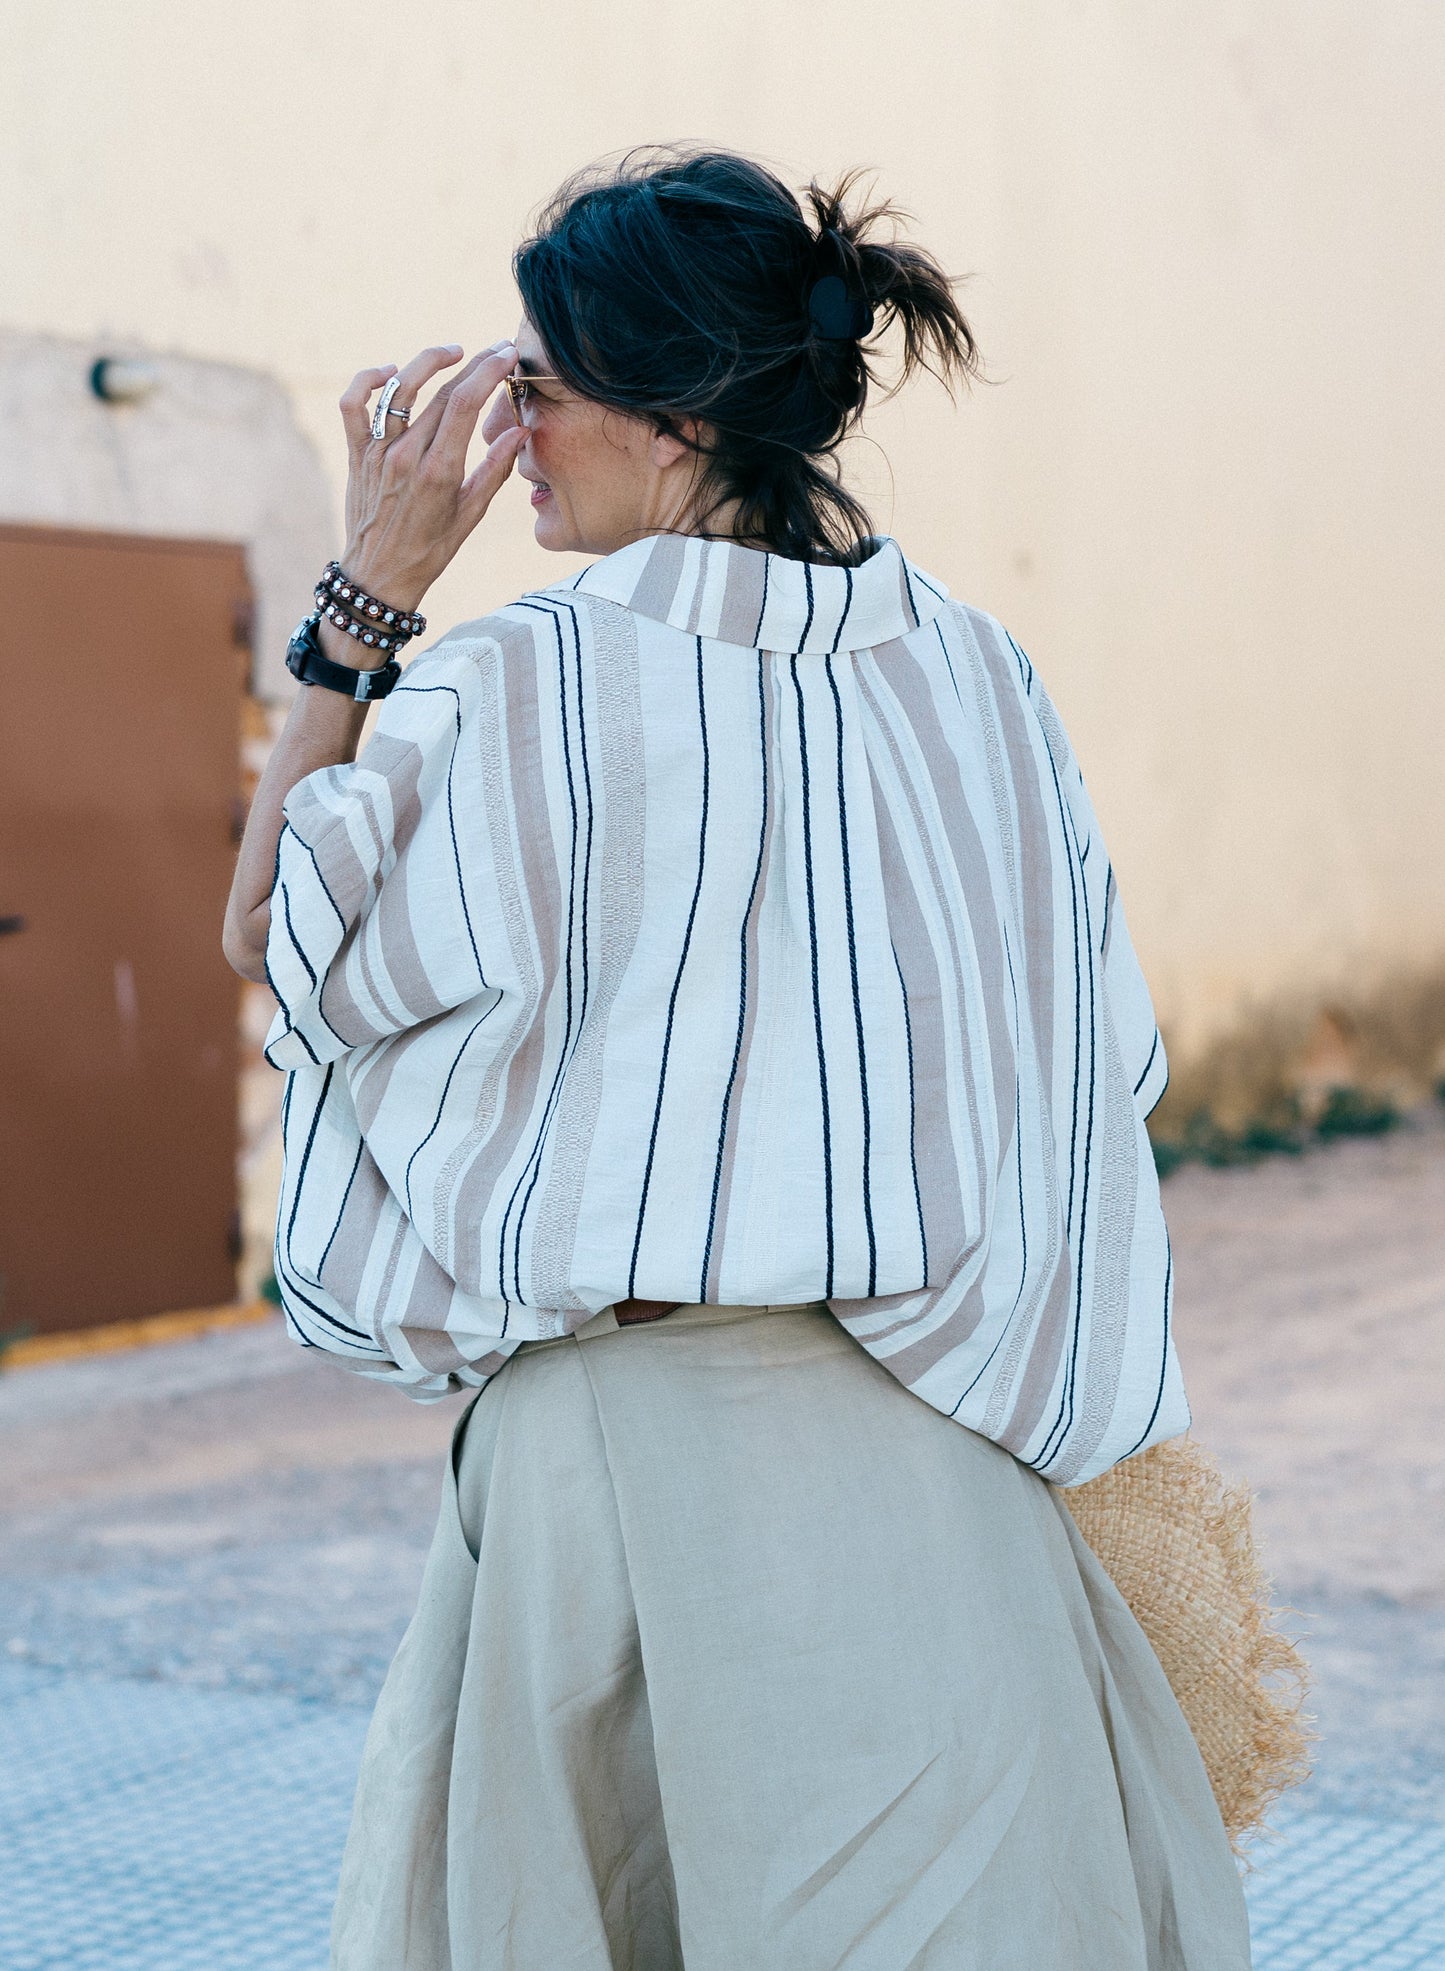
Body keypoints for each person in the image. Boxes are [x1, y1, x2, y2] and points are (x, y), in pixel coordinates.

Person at [224, 148, 1250, 1971]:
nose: (502, 428)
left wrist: (371, 590)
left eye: (533, 383)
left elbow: (280, 937)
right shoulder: (979, 671)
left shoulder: (519, 679)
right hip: (944, 1461)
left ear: (677, 409)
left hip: (617, 1470)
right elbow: (1088, 1049)